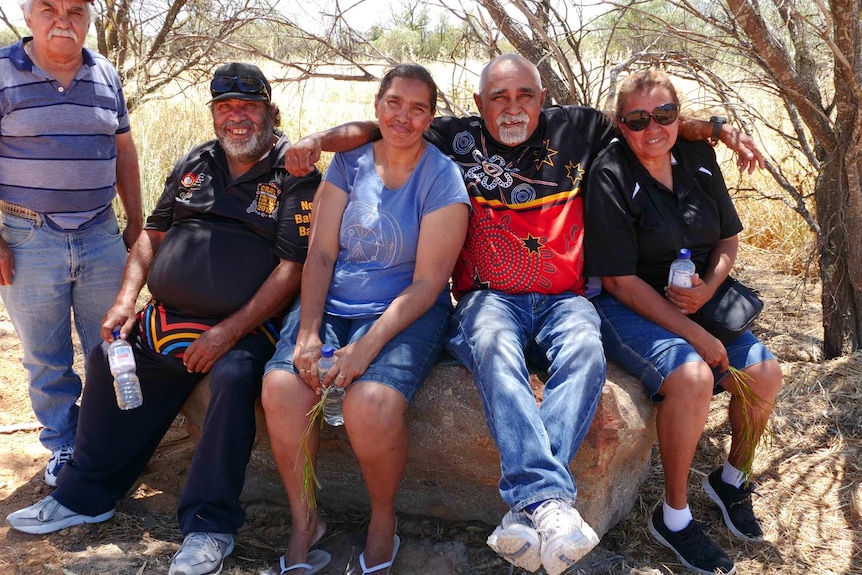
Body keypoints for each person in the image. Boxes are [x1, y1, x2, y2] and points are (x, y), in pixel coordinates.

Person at [282, 54, 764, 575]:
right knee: (493, 348)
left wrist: (713, 128)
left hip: (565, 299)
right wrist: (318, 142)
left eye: (525, 96)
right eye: (499, 97)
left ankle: (531, 505)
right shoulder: (452, 138)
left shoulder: (578, 128)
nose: (513, 107)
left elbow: (648, 121)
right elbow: (380, 125)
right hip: (487, 297)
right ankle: (551, 502)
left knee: (584, 350)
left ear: (543, 97)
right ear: (478, 105)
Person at [5, 62, 321, 575]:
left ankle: (209, 525)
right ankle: (87, 495)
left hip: (244, 326)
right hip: (168, 316)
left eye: (247, 106)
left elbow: (292, 269)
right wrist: (126, 300)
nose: (235, 117)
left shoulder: (295, 174)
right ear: (215, 114)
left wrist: (226, 332)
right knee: (109, 355)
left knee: (236, 377)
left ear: (269, 110)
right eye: (225, 107)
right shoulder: (197, 160)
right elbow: (152, 234)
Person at [260, 64, 469, 575]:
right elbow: (322, 256)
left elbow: (427, 283)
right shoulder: (349, 165)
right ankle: (305, 520)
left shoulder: (441, 176)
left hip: (404, 311)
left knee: (369, 404)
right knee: (283, 390)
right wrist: (308, 332)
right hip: (333, 303)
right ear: (377, 108)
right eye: (394, 103)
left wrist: (366, 348)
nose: (404, 116)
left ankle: (382, 520)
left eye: (418, 108)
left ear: (430, 117)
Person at [584, 69, 782, 575]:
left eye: (665, 115)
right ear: (620, 124)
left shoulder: (697, 156)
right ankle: (673, 516)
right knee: (692, 376)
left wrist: (708, 291)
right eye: (638, 119)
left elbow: (729, 241)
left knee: (764, 373)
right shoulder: (610, 173)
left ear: (679, 115)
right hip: (631, 303)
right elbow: (617, 280)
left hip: (701, 297)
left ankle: (731, 481)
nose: (654, 128)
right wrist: (693, 333)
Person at [0, 0, 143, 486]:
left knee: (113, 343)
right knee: (46, 354)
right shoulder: (2, 72)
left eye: (76, 9)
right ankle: (63, 444)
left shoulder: (105, 72)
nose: (63, 19)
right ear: (27, 14)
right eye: (49, 8)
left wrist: (137, 221)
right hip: (25, 237)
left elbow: (123, 148)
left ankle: (107, 439)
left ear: (88, 17)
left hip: (102, 232)